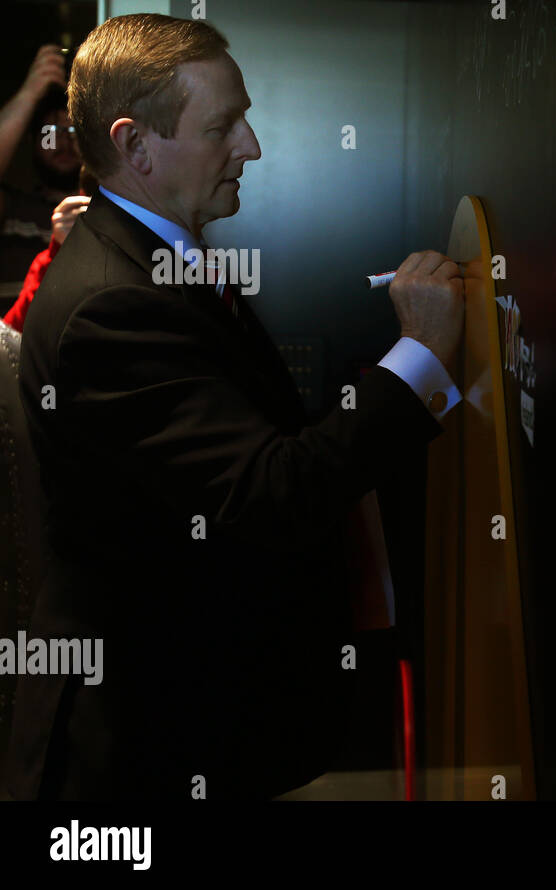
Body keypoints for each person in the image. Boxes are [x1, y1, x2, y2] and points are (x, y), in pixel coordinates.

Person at [4, 13, 465, 800]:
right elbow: (266, 492)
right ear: (136, 145)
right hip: (138, 756)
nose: (251, 146)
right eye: (224, 125)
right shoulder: (112, 304)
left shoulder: (161, 255)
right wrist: (420, 352)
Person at [0, 46, 82, 284]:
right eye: (51, 132)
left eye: (74, 131)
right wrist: (30, 93)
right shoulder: (13, 209)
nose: (65, 141)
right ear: (33, 142)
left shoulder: (104, 209)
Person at [2, 166, 94, 333]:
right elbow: (13, 337)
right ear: (82, 196)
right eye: (94, 191)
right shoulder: (51, 259)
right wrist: (60, 249)